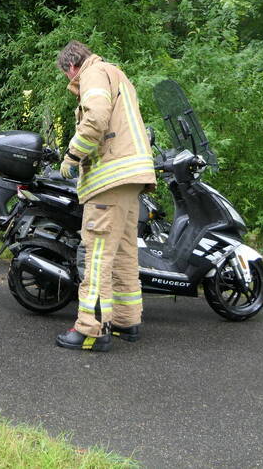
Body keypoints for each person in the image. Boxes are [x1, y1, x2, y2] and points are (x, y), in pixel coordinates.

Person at [54, 41, 155, 352]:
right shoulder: (117, 74)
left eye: (67, 76)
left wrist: (72, 156)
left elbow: (96, 116)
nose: (71, 82)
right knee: (124, 253)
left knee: (97, 254)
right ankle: (126, 320)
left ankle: (91, 330)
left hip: (110, 179)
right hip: (132, 177)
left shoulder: (93, 74)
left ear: (72, 66)